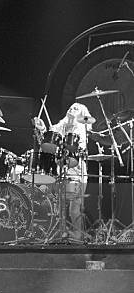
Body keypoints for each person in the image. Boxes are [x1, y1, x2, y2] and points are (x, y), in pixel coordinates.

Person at [34, 102, 92, 240]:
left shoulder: (81, 129)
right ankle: (61, 232)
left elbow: (74, 147)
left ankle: (78, 235)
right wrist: (41, 128)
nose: (72, 109)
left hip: (77, 171)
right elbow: (49, 139)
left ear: (82, 114)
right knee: (59, 206)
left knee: (74, 208)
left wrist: (71, 122)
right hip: (62, 170)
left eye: (76, 109)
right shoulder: (60, 126)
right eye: (70, 107)